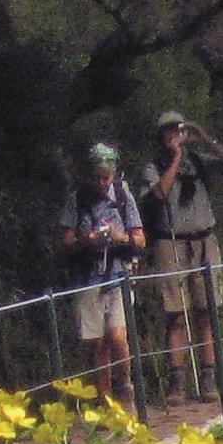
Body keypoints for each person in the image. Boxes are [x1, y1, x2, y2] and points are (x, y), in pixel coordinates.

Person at [141, 111, 223, 402]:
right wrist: (175, 159)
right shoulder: (153, 167)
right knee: (176, 314)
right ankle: (177, 383)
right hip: (170, 242)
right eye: (167, 131)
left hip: (204, 241)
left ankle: (208, 381)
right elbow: (159, 194)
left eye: (178, 130)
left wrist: (206, 139)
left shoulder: (199, 162)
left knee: (206, 311)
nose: (173, 135)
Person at [59, 142, 144, 409]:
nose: (101, 183)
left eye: (105, 177)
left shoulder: (123, 195)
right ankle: (105, 401)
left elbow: (140, 239)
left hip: (118, 273)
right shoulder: (77, 198)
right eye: (96, 177)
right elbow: (66, 242)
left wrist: (119, 237)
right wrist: (87, 240)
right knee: (99, 345)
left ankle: (126, 389)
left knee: (118, 336)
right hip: (88, 275)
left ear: (113, 173)